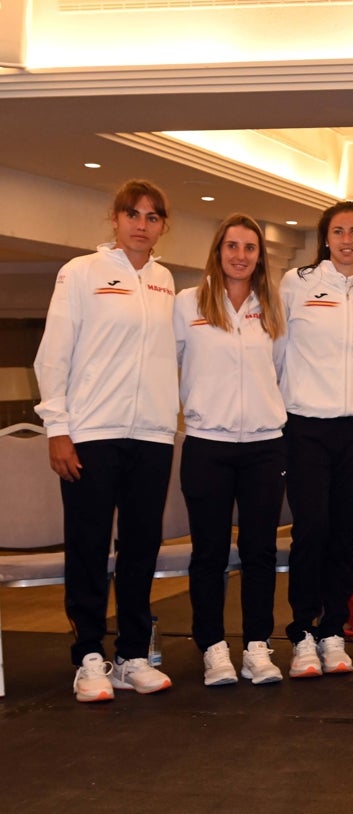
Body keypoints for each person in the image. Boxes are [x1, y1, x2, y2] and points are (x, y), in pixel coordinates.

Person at [34, 179, 177, 702]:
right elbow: (53, 356)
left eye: (153, 216)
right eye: (133, 214)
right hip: (92, 433)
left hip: (153, 435)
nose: (142, 224)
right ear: (114, 220)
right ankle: (90, 655)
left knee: (142, 547)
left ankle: (133, 655)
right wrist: (58, 428)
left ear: (163, 226)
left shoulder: (165, 282)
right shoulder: (80, 273)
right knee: (89, 545)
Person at [175, 214, 288, 687]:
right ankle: (214, 647)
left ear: (260, 256)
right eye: (232, 246)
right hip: (208, 446)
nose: (240, 255)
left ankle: (257, 647)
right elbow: (171, 365)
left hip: (264, 447)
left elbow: (278, 372)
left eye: (250, 248)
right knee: (209, 553)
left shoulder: (273, 307)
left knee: (260, 550)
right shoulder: (187, 304)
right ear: (218, 251)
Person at [279, 201, 353, 678]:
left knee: (344, 534)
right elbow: (278, 352)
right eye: (339, 231)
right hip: (306, 424)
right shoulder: (296, 284)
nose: (347, 240)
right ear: (326, 237)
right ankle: (303, 631)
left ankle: (333, 631)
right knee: (311, 531)